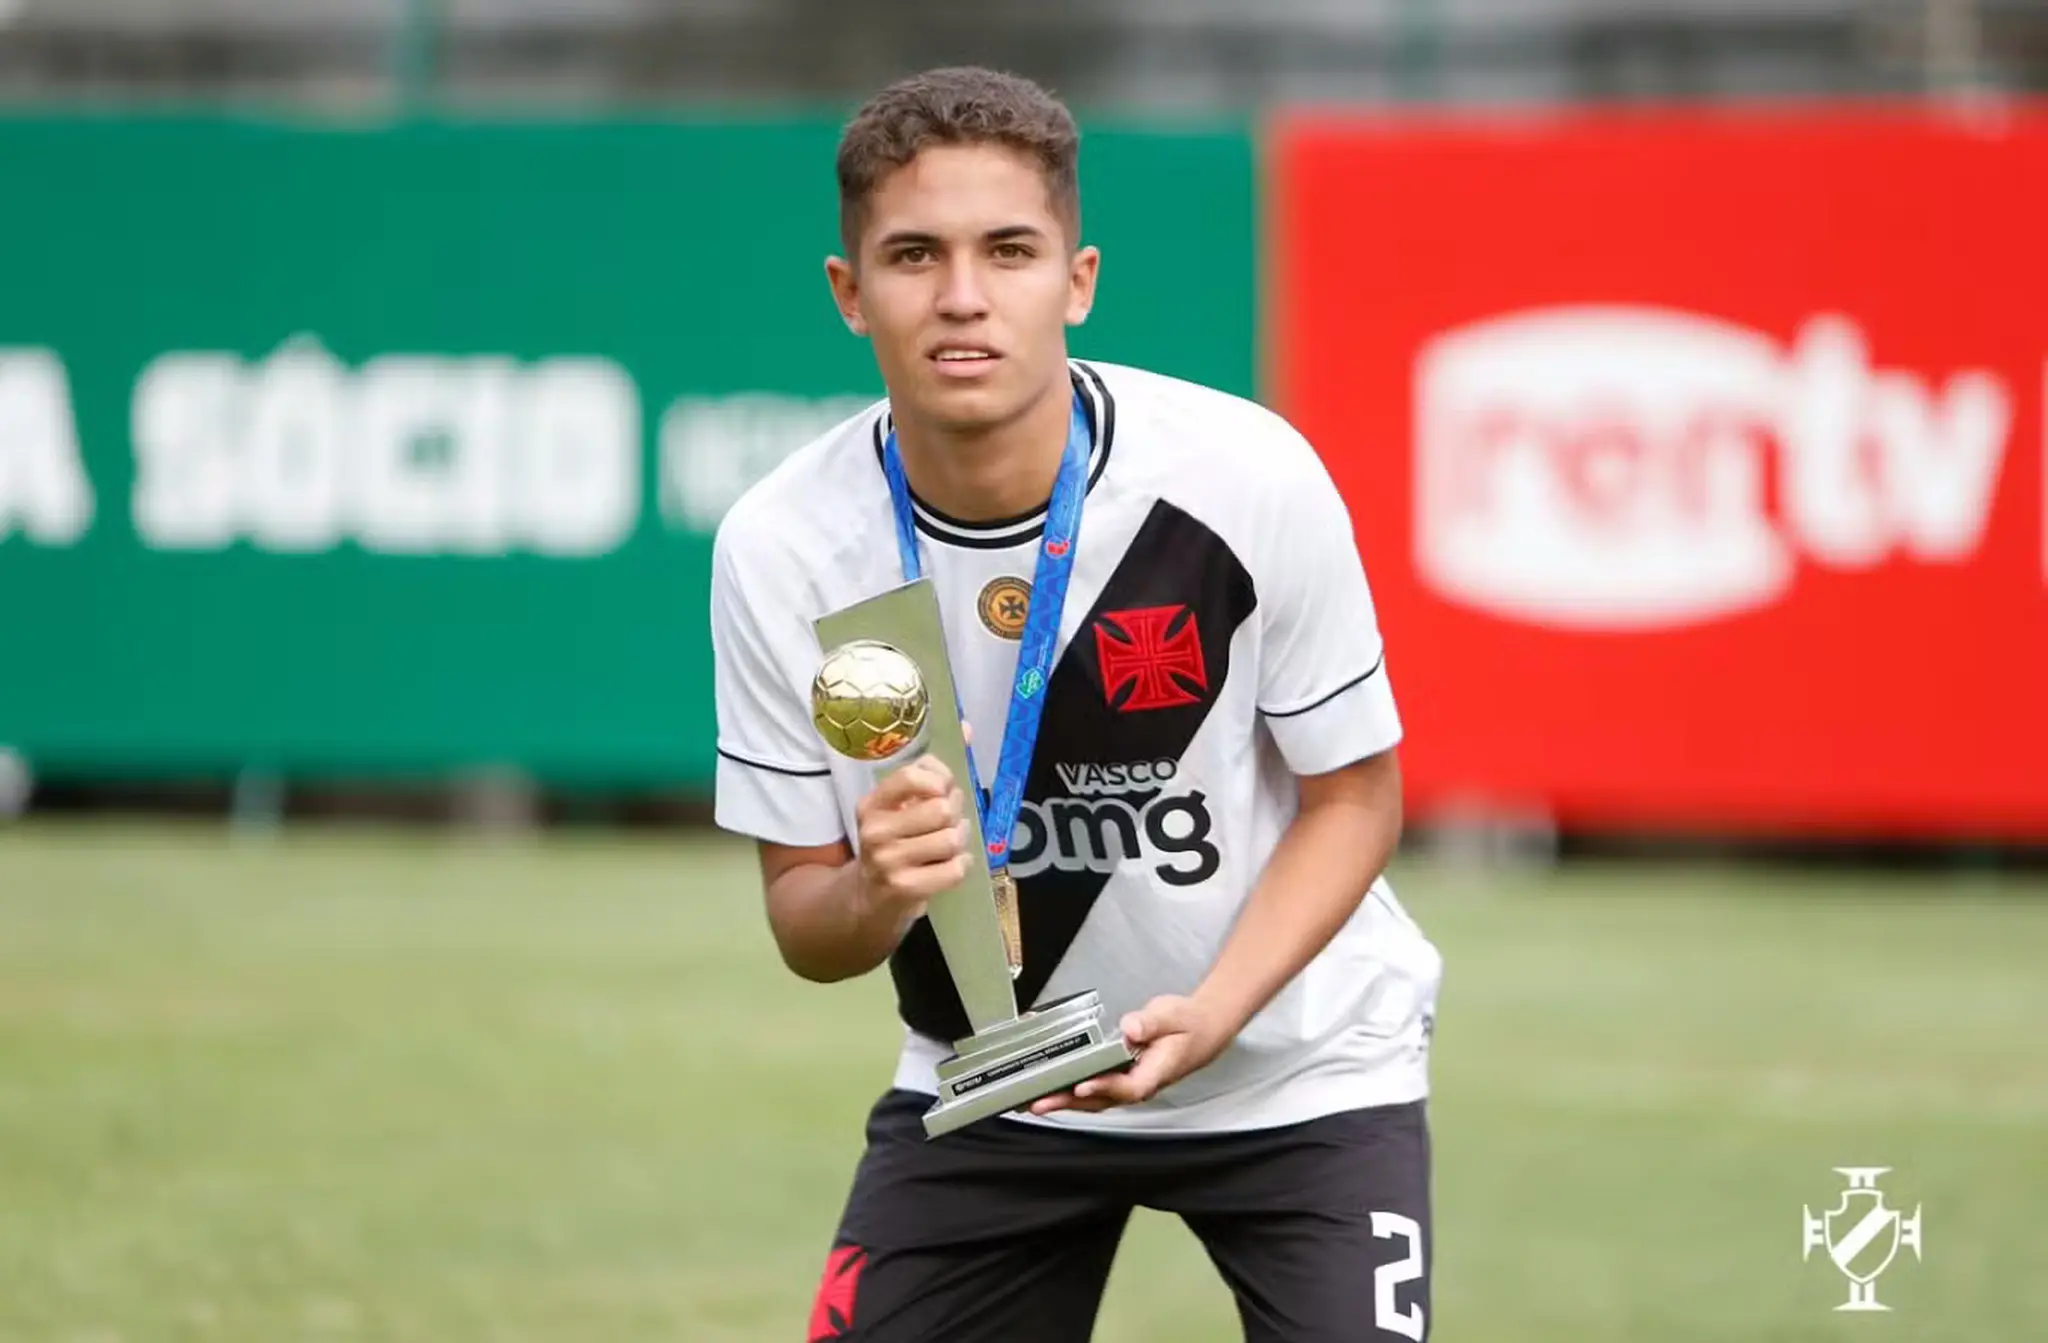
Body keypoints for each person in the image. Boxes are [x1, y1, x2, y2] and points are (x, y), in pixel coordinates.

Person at [708, 64, 1443, 1343]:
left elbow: (1354, 798)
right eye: (912, 255)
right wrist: (878, 889)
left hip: (1298, 1066)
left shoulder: (1240, 475)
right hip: (993, 1082)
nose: (961, 297)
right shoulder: (786, 546)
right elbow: (804, 922)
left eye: (1007, 250)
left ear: (1078, 278)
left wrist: (1215, 1013)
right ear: (848, 293)